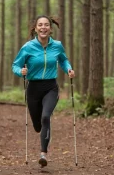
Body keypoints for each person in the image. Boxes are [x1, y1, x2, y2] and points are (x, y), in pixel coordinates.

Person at [12, 15, 75, 167]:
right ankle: (40, 130)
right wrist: (21, 71)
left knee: (46, 117)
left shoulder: (57, 46)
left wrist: (68, 69)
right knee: (38, 125)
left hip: (50, 87)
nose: (43, 27)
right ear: (35, 28)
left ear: (50, 29)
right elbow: (15, 65)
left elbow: (63, 60)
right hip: (33, 89)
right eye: (40, 25)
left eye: (46, 25)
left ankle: (43, 154)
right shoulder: (28, 47)